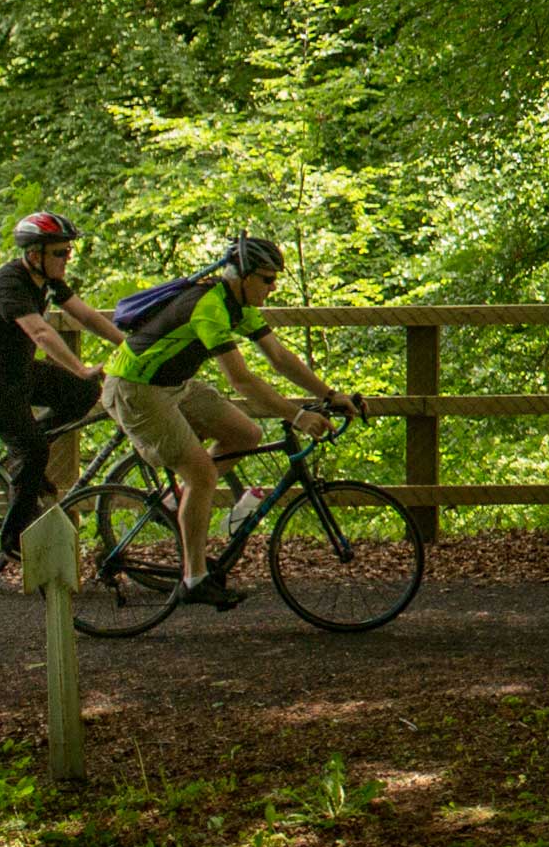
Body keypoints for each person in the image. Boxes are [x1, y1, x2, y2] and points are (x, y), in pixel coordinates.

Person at [100, 235, 364, 609]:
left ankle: (174, 504)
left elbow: (278, 357)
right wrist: (298, 415)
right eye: (267, 279)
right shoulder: (210, 306)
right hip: (136, 389)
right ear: (241, 276)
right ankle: (194, 579)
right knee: (203, 475)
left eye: (276, 280)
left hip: (173, 384)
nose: (273, 287)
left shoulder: (238, 304)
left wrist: (329, 395)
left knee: (246, 433)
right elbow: (241, 380)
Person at [0, 210, 125, 561]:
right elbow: (40, 332)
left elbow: (85, 315)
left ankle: (30, 452)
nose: (67, 259)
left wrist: (130, 346)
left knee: (81, 393)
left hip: (16, 373)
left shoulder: (47, 281)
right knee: (32, 451)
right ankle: (14, 538)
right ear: (34, 255)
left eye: (68, 252)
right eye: (60, 253)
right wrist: (81, 367)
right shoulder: (10, 284)